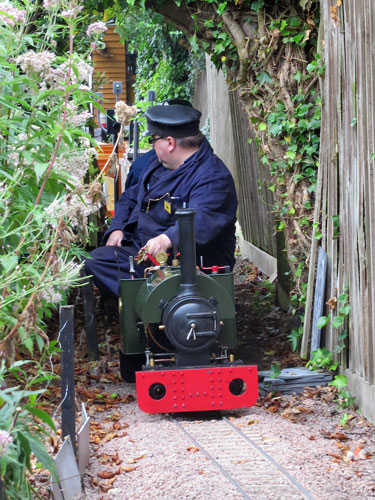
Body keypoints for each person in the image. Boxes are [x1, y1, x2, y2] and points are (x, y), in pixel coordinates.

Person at [85, 103, 238, 297]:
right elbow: (130, 197)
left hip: (188, 264)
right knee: (95, 260)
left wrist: (167, 238)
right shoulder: (157, 164)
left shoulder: (212, 176)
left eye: (153, 140)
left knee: (152, 282)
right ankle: (148, 299)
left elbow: (203, 221)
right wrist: (118, 227)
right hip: (143, 251)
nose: (152, 146)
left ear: (170, 143)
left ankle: (153, 301)